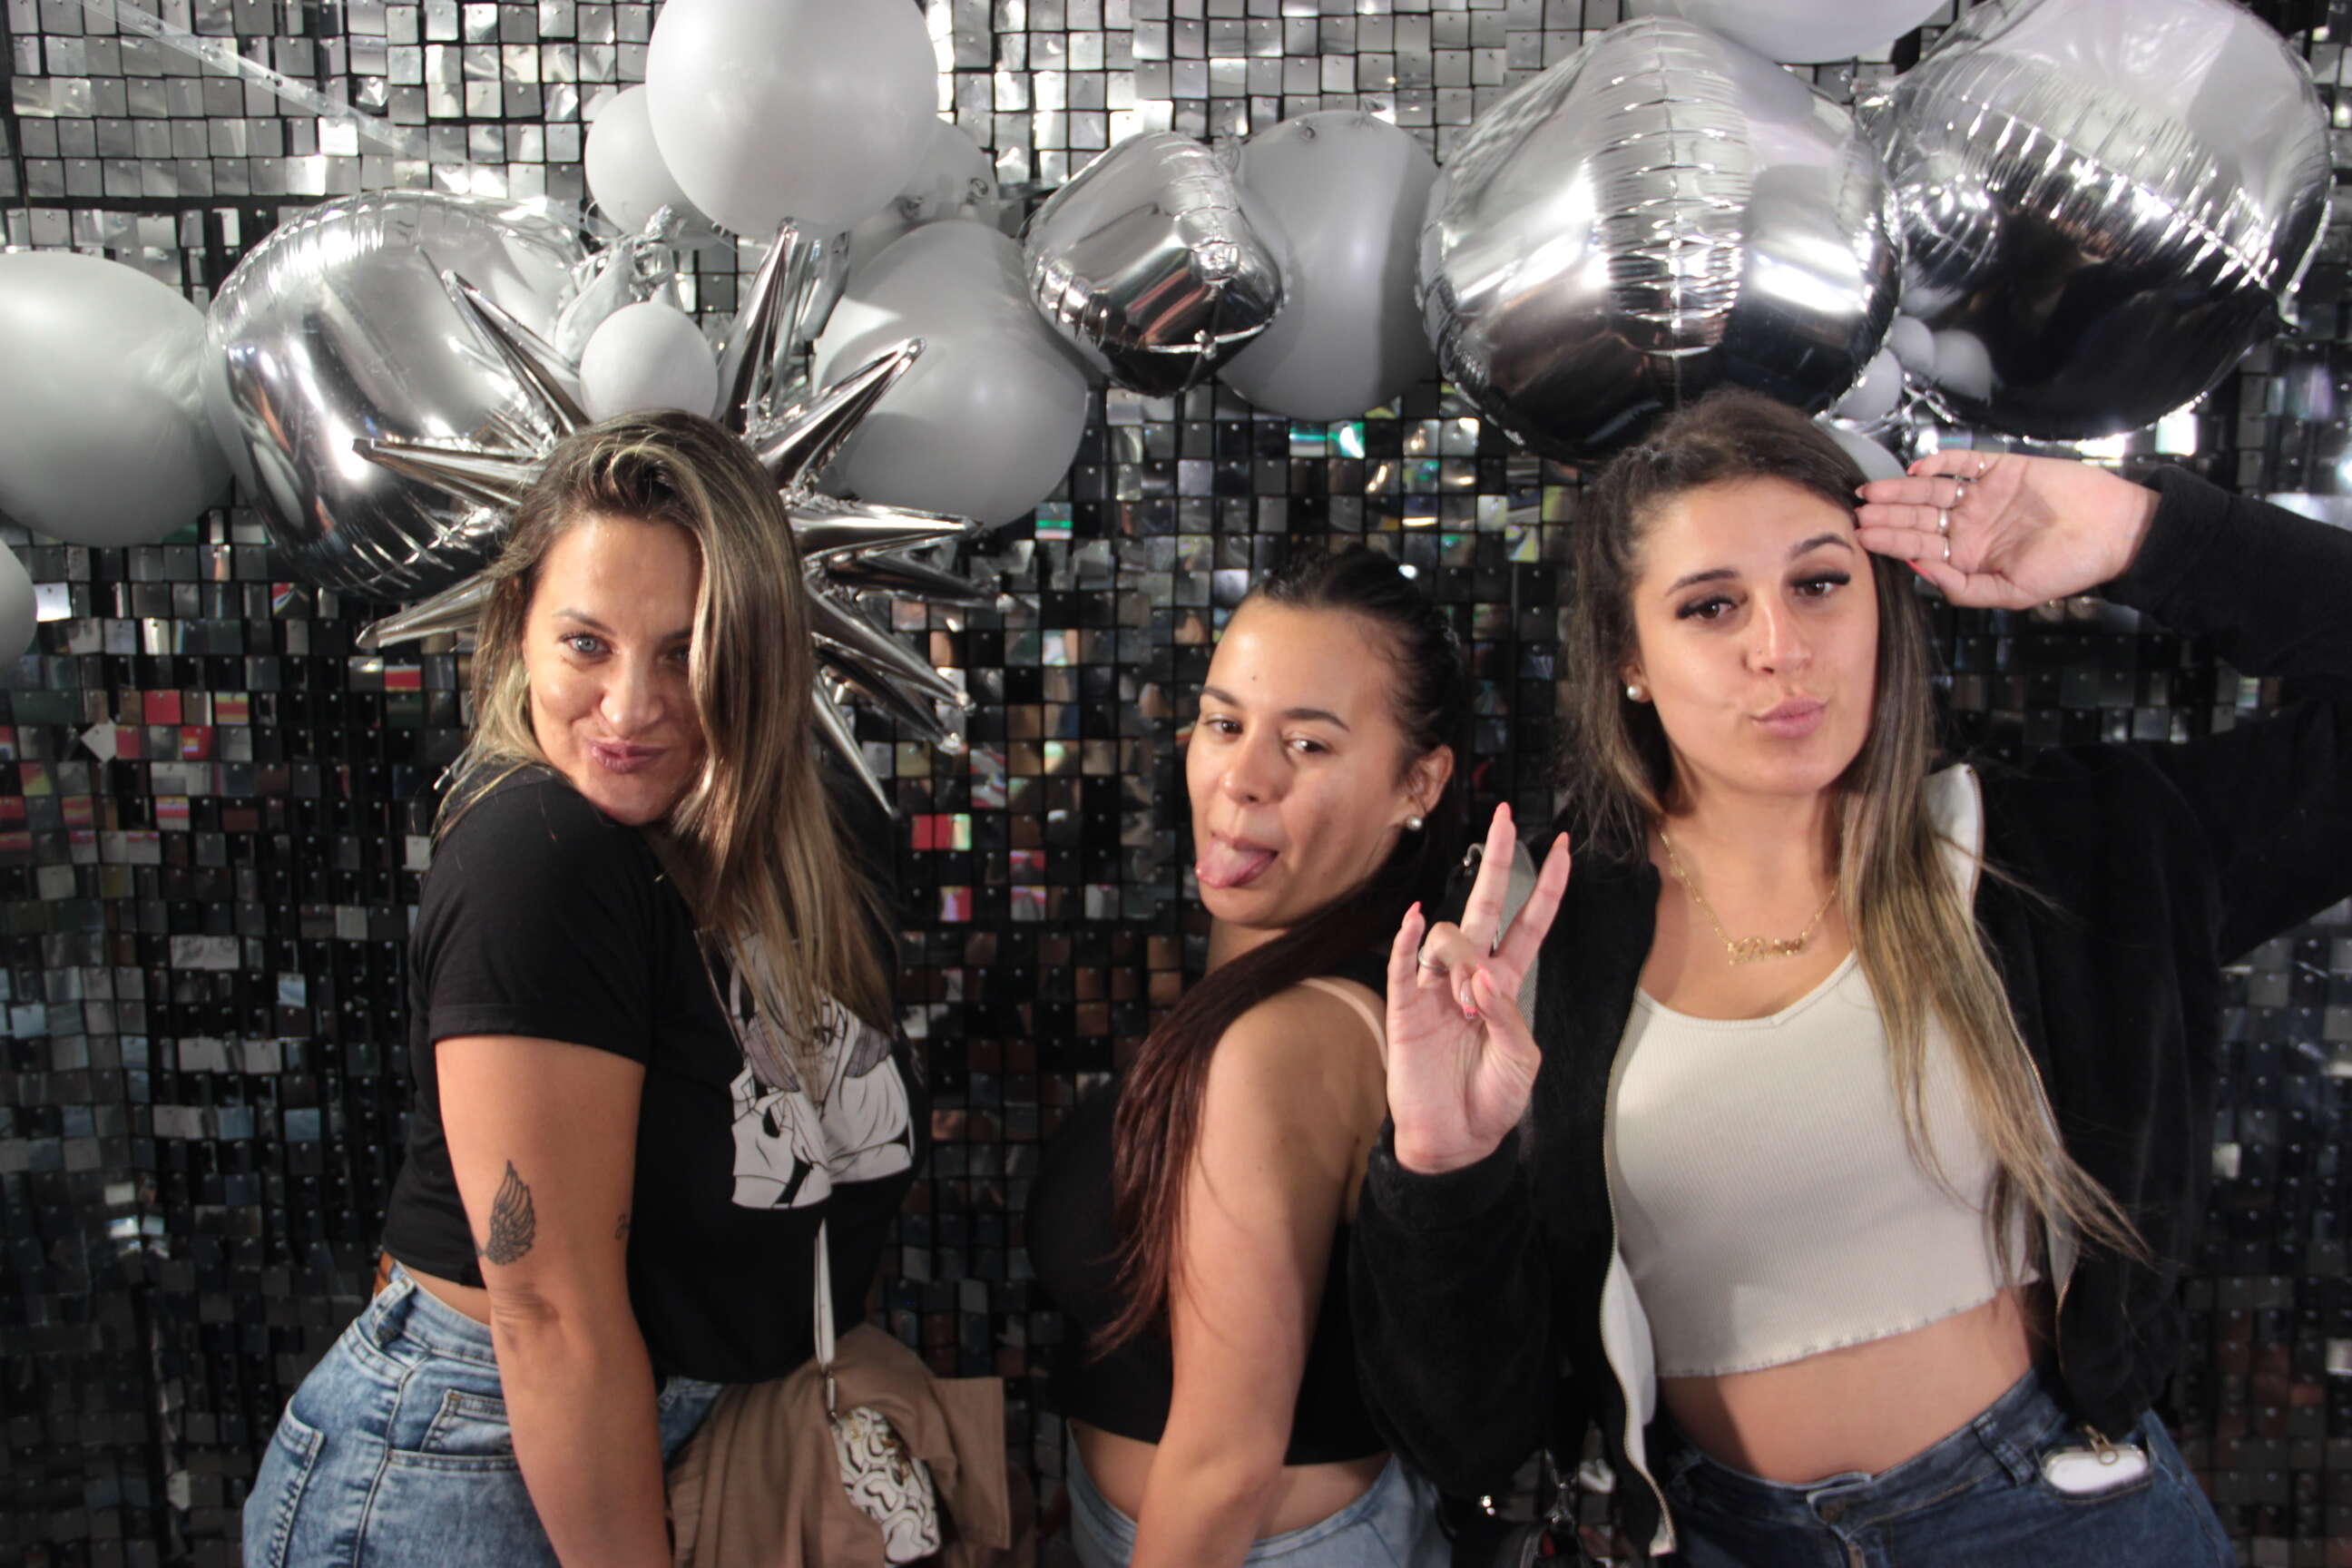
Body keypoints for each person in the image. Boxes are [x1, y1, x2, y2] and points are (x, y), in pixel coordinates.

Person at [1353, 388, 2352, 1565]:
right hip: (1722, 1539)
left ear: (1884, 604)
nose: (1780, 647)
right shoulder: (1533, 937)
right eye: (1711, 605)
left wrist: (2143, 533)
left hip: (2056, 1519)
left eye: (1821, 583)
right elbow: (1469, 1436)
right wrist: (1442, 1172)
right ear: (1630, 658)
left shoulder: (2063, 853)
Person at [242, 411, 927, 1568]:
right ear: (517, 631)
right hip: (467, 1470)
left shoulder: (754, 861)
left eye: (685, 651)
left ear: (758, 654)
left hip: (619, 1450)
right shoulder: (541, 856)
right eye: (586, 644)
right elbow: (548, 1317)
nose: (629, 707)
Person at [1028, 547, 1465, 1568]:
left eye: (1307, 744)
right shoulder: (1264, 981)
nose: (1243, 777)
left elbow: (1227, 1464)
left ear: (1417, 782)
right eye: (1225, 725)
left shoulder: (1290, 1037)